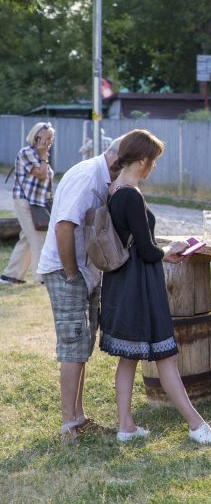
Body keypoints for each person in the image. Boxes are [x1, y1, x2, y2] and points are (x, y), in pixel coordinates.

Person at [99, 129, 211, 443]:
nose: (154, 166)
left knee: (130, 357)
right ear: (142, 159)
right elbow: (148, 250)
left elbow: (136, 243)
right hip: (140, 285)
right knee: (166, 356)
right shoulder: (131, 195)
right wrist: (171, 249)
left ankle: (126, 426)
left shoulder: (114, 189)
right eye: (153, 160)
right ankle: (196, 426)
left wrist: (160, 249)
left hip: (122, 282)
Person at [36, 135, 124, 441]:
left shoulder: (103, 177)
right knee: (73, 346)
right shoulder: (88, 178)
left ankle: (79, 416)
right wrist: (73, 275)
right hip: (66, 270)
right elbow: (63, 227)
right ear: (118, 163)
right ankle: (67, 426)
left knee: (82, 345)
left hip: (85, 272)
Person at [2, 122, 55, 285]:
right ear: (36, 137)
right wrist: (44, 156)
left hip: (37, 202)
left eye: (51, 139)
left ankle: (12, 275)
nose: (49, 142)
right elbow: (40, 174)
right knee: (38, 238)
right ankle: (41, 278)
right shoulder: (27, 153)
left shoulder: (41, 155)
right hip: (25, 200)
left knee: (28, 237)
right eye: (47, 138)